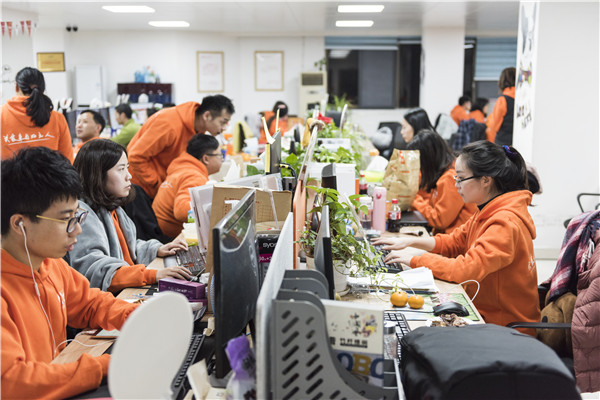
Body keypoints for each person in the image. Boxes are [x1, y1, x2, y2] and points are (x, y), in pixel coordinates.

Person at [1, 147, 138, 398]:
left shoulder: (49, 264)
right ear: (20, 224)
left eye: (77, 216)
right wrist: (107, 365)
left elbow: (90, 304)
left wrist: (138, 318)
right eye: (66, 219)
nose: (77, 230)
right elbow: (13, 382)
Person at [373, 140, 540, 332]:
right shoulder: (489, 209)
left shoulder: (505, 223)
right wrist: (410, 241)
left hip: (506, 329)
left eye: (460, 178)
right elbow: (453, 241)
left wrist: (415, 260)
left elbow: (466, 269)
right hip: (487, 315)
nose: (456, 185)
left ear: (486, 180)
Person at [70, 139, 191, 293]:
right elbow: (96, 270)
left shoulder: (111, 207)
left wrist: (156, 249)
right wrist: (152, 275)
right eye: (121, 169)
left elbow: (128, 247)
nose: (129, 176)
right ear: (97, 174)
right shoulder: (82, 216)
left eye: (127, 168)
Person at [127, 95, 234, 198]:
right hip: (141, 188)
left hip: (163, 186)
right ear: (207, 116)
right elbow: (135, 156)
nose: (224, 128)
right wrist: (156, 183)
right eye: (222, 122)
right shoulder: (169, 124)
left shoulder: (197, 129)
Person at [406, 129, 477, 234]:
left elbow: (439, 219)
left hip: (454, 239)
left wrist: (413, 200)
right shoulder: (443, 173)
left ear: (427, 160)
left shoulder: (450, 178)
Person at [153, 134, 223, 238]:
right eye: (220, 155)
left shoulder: (184, 168)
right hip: (169, 237)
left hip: (157, 228)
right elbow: (181, 211)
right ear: (206, 159)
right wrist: (211, 209)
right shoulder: (194, 176)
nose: (222, 159)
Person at [1, 67, 73, 162]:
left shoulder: (1, 114)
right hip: (50, 172)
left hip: (9, 172)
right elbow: (67, 159)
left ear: (17, 87)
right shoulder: (57, 118)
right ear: (42, 88)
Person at [486, 67, 516, 145]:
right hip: (521, 141)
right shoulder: (524, 99)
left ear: (503, 81)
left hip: (504, 143)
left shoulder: (503, 100)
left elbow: (494, 126)